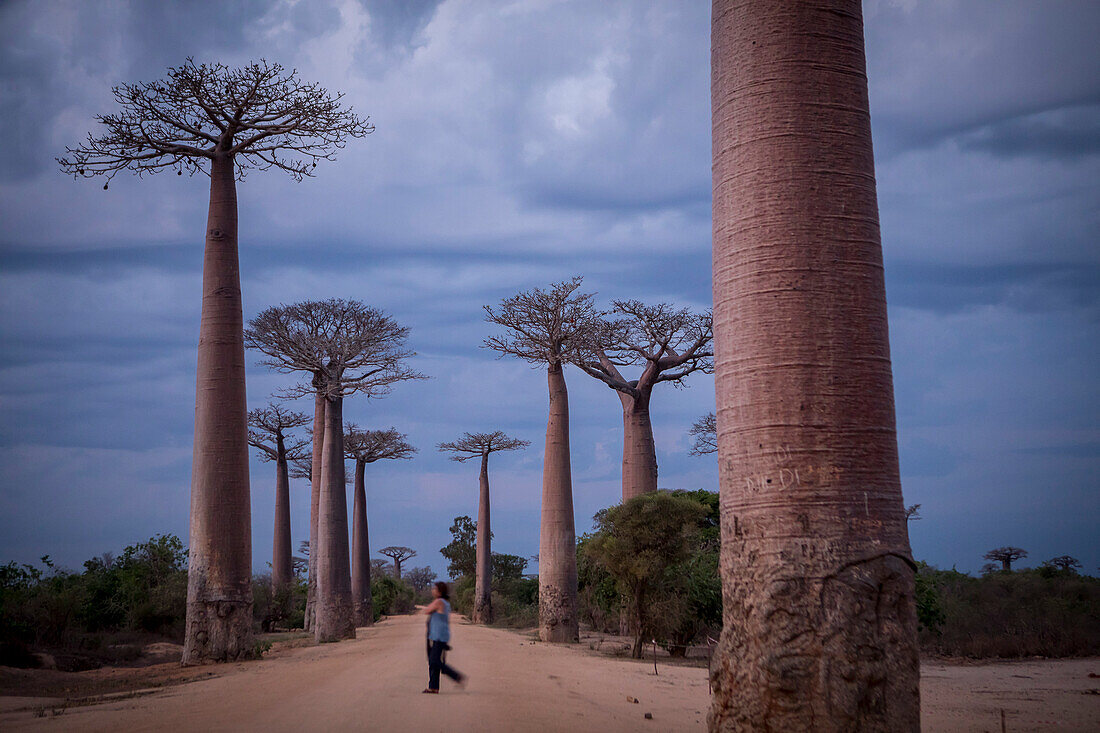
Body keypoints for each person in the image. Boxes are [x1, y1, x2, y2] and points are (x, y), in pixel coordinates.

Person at [420, 581, 465, 693]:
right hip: (437, 634)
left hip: (438, 636)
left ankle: (456, 676)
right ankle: (433, 687)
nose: (433, 591)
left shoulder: (439, 602)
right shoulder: (444, 602)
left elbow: (427, 610)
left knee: (434, 660)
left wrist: (432, 603)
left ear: (440, 591)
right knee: (433, 661)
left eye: (435, 589)